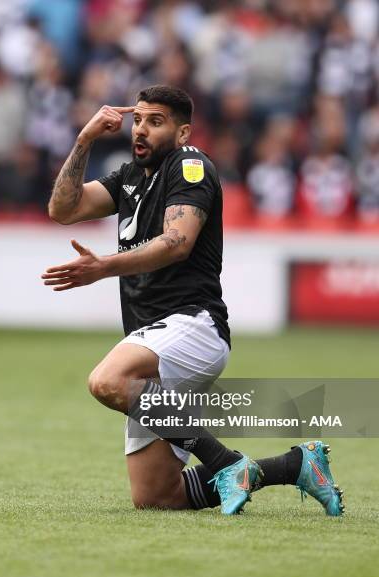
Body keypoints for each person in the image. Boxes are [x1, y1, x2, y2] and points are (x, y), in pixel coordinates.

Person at [42, 85, 344, 516]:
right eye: (139, 120)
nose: (141, 130)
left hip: (193, 324)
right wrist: (84, 140)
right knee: (156, 496)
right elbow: (63, 209)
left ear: (183, 133)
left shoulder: (190, 166)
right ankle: (295, 466)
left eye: (156, 121)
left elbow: (177, 242)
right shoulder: (130, 177)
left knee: (107, 381)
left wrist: (103, 267)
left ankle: (225, 462)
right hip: (154, 335)